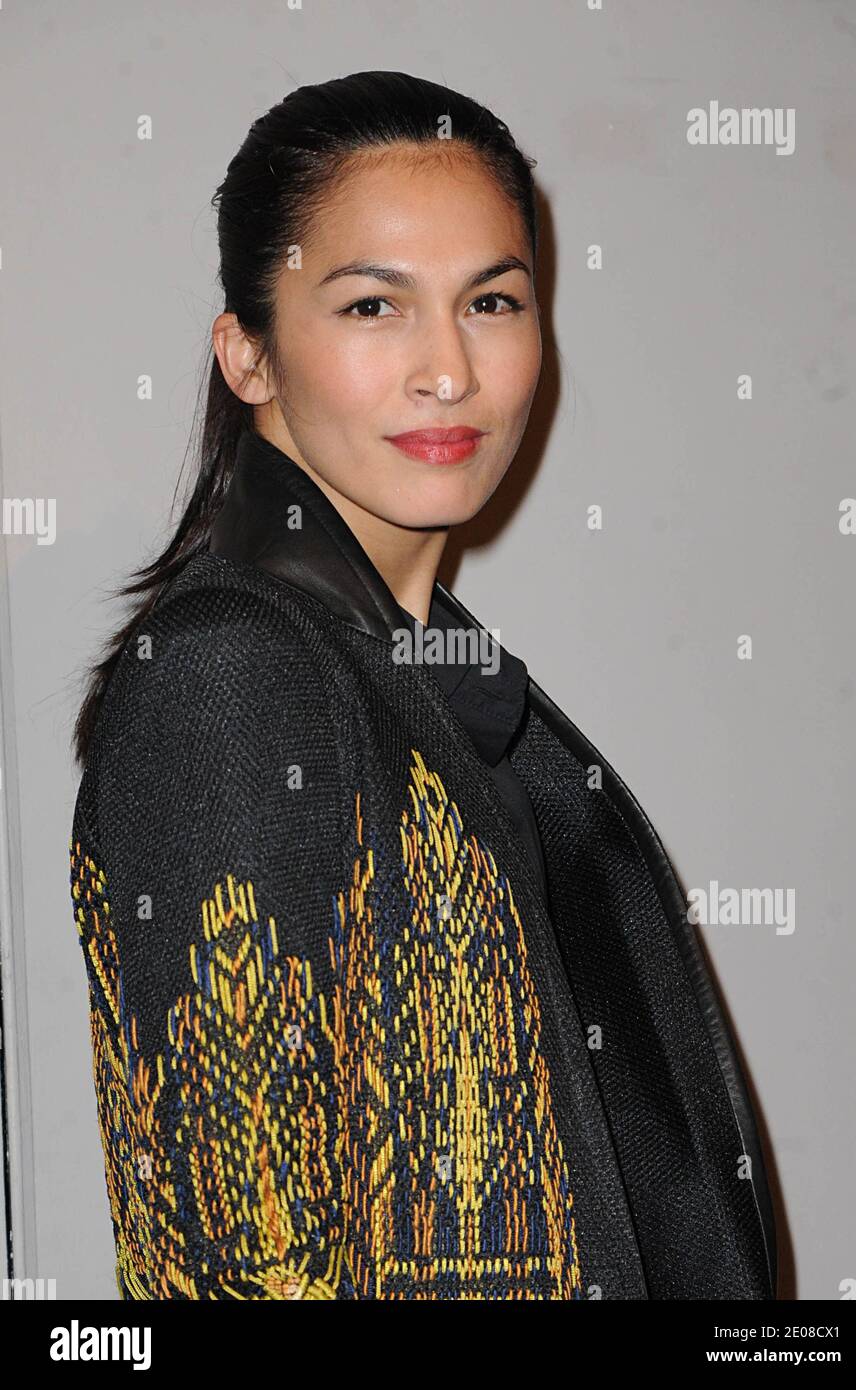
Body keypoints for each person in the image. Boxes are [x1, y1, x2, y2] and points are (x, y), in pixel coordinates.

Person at [69, 70, 776, 1301]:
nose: (449, 370)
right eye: (373, 307)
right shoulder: (234, 675)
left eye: (491, 300)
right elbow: (252, 1271)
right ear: (248, 353)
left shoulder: (438, 676)